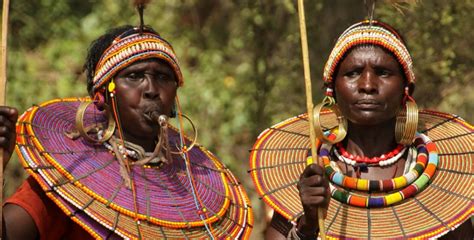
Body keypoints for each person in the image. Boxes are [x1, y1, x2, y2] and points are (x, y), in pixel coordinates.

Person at [1, 24, 253, 239]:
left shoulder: (194, 186)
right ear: (102, 94)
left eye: (164, 77)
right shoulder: (68, 175)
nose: (151, 89)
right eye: (134, 76)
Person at [249, 20, 473, 239]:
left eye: (383, 72)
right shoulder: (310, 175)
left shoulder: (442, 187)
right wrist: (308, 226)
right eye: (353, 73)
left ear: (407, 89)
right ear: (332, 89)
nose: (367, 85)